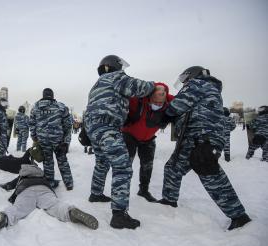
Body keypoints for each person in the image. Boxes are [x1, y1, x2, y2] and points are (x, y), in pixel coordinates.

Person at [157, 66, 251, 230]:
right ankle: (168, 202)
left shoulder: (199, 84)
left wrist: (165, 114)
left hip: (203, 139)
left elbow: (177, 106)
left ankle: (239, 216)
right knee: (173, 168)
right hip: (194, 139)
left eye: (185, 80)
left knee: (209, 173)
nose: (184, 84)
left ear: (191, 76)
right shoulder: (208, 89)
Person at [84, 55, 155, 229]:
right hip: (108, 128)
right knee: (122, 167)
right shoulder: (116, 77)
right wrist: (153, 85)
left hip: (93, 130)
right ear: (117, 66)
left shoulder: (96, 85)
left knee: (101, 162)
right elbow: (142, 88)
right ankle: (119, 214)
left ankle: (96, 193)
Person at [0, 164, 98, 238]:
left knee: (18, 209)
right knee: (55, 206)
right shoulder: (42, 176)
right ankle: (70, 212)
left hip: (26, 190)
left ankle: (3, 217)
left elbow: (9, 185)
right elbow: (54, 183)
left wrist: (8, 190)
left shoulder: (22, 177)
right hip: (44, 188)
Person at [121, 82, 174, 202]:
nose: (158, 105)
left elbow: (184, 101)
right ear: (149, 97)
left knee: (147, 165)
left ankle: (144, 190)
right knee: (125, 165)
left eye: (161, 103)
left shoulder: (170, 101)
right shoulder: (137, 99)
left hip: (148, 139)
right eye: (155, 102)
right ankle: (123, 191)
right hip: (130, 136)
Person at [29, 88, 73, 190]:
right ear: (52, 96)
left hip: (42, 140)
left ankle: (50, 182)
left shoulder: (35, 107)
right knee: (62, 160)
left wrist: (35, 138)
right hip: (58, 140)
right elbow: (68, 126)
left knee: (47, 161)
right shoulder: (61, 107)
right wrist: (66, 142)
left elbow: (32, 125)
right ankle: (69, 184)